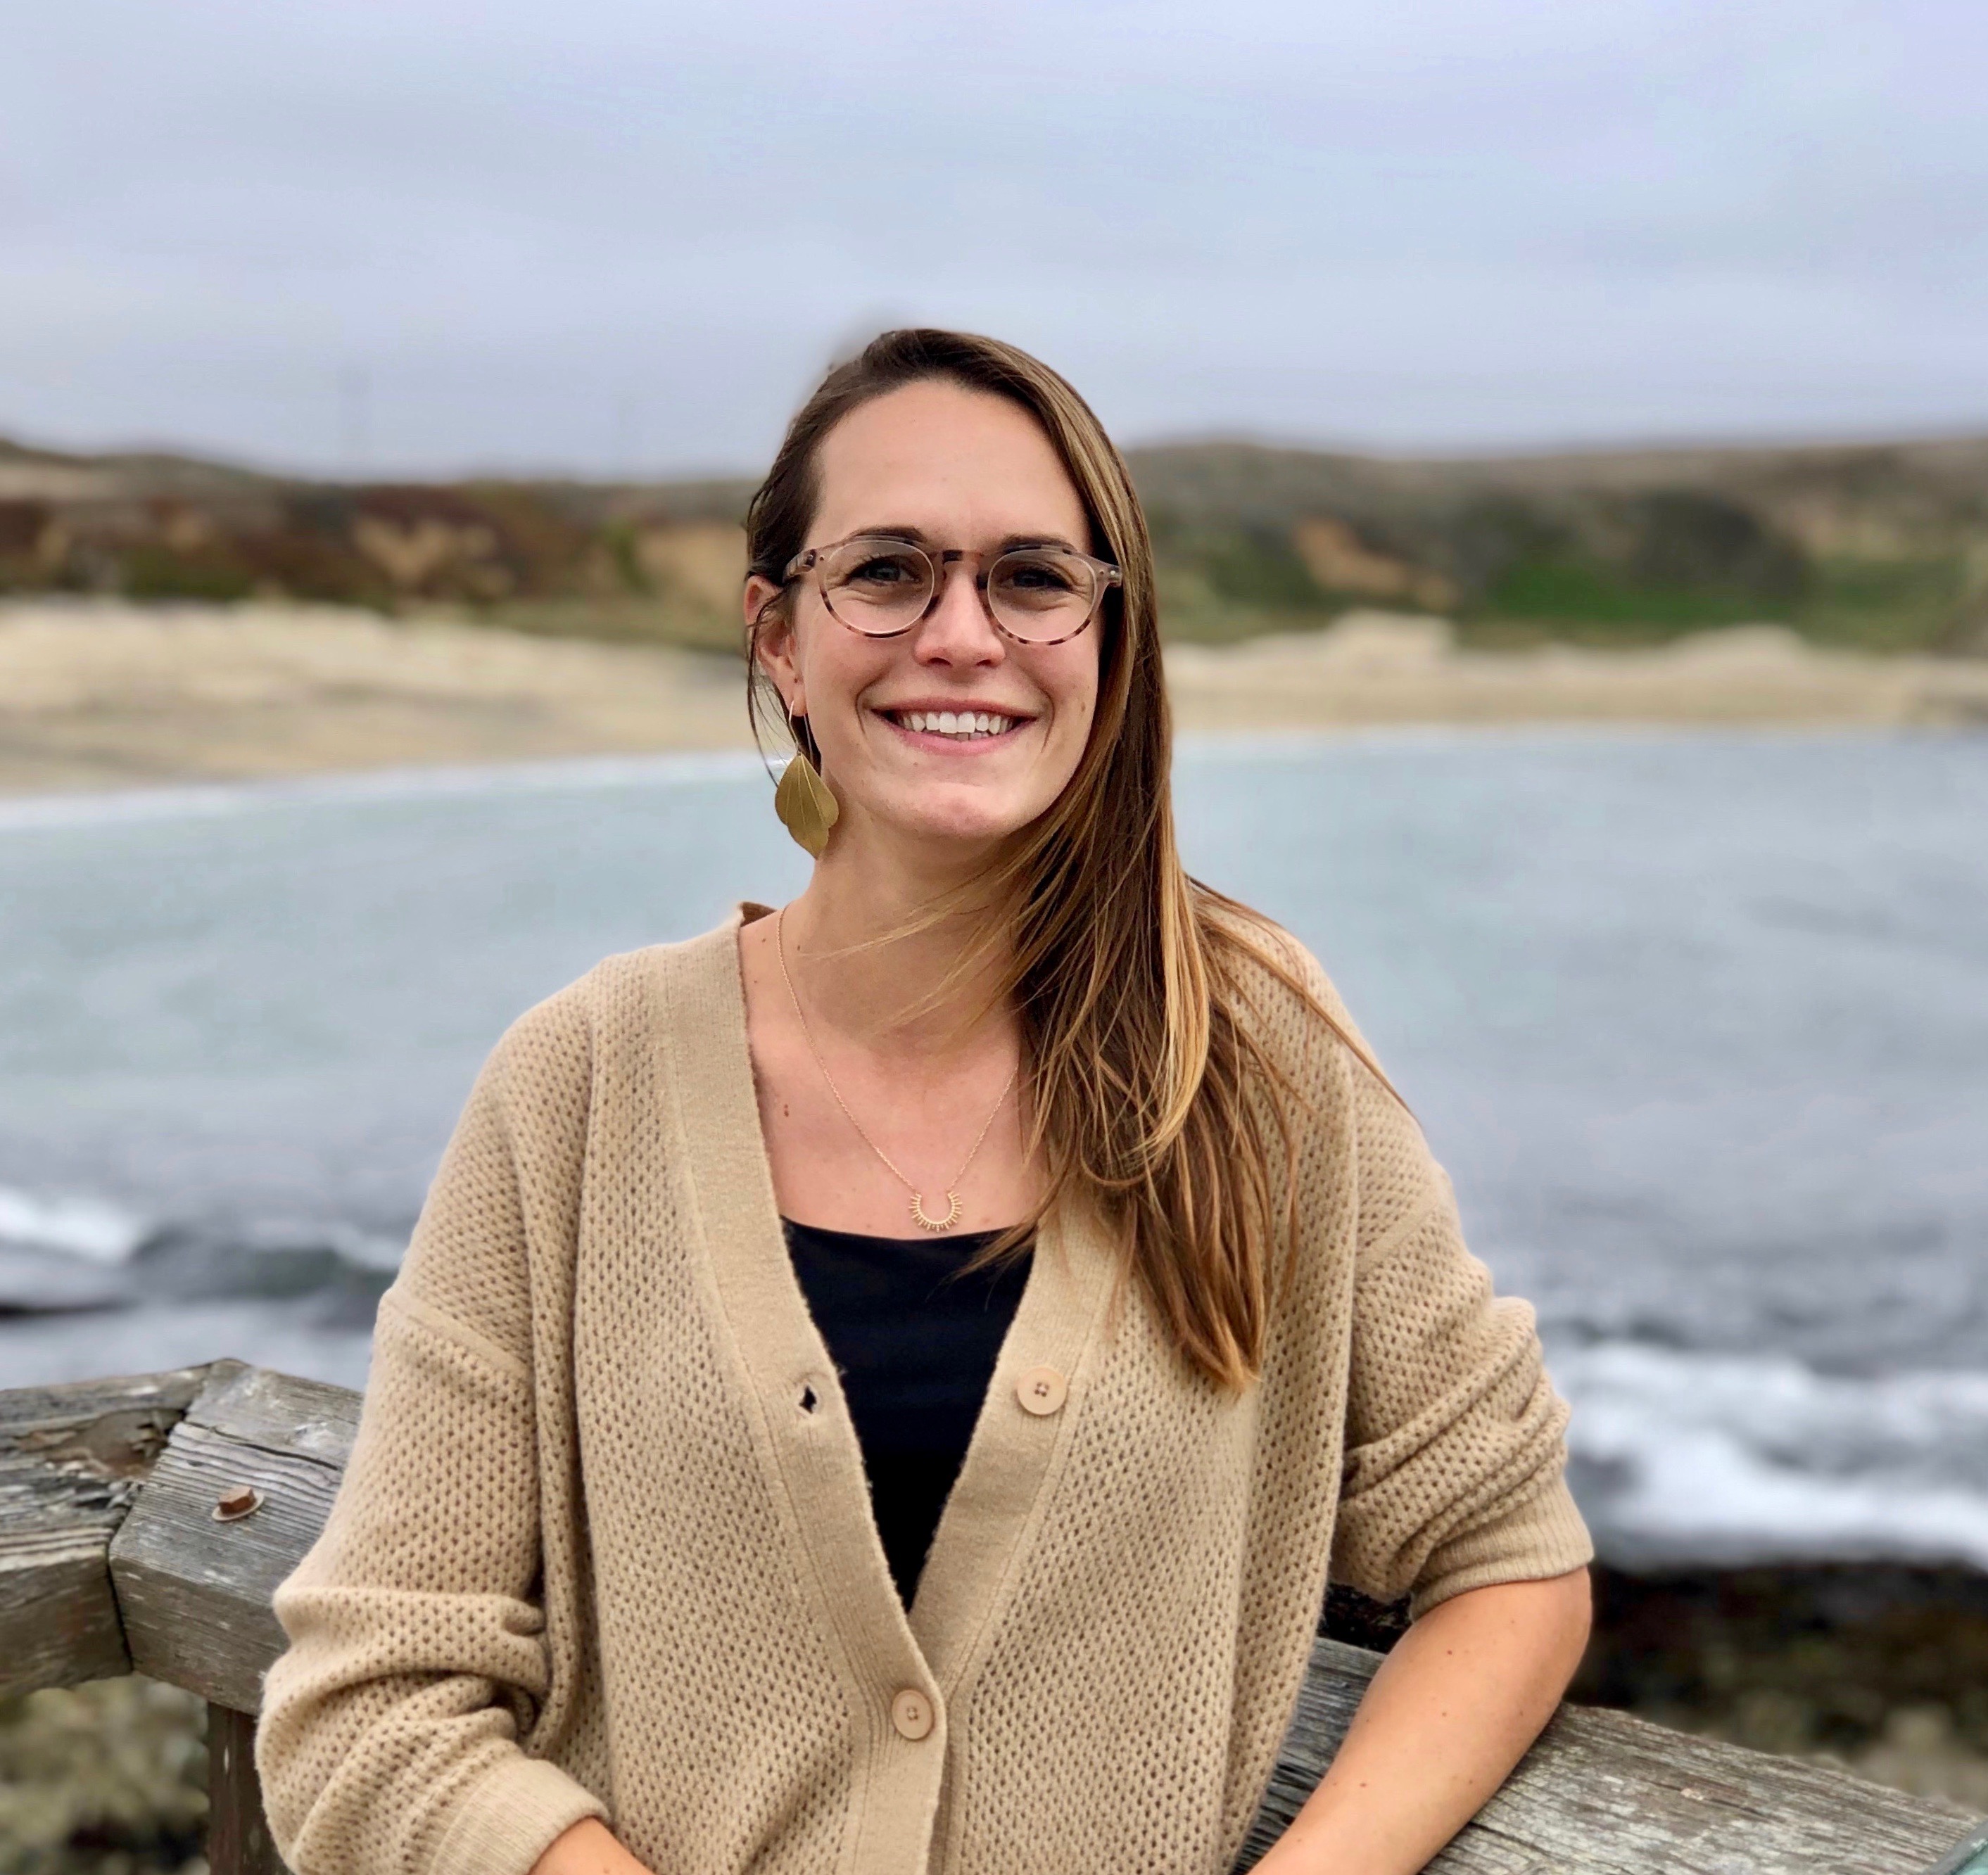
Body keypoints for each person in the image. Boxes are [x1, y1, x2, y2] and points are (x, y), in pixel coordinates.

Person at [256, 329, 1593, 1875]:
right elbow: (371, 1699)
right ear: (778, 635)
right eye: (890, 571)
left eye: (1032, 578)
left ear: (1107, 632)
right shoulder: (582, 1084)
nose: (962, 633)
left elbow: (1507, 1554)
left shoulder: (1256, 1053)